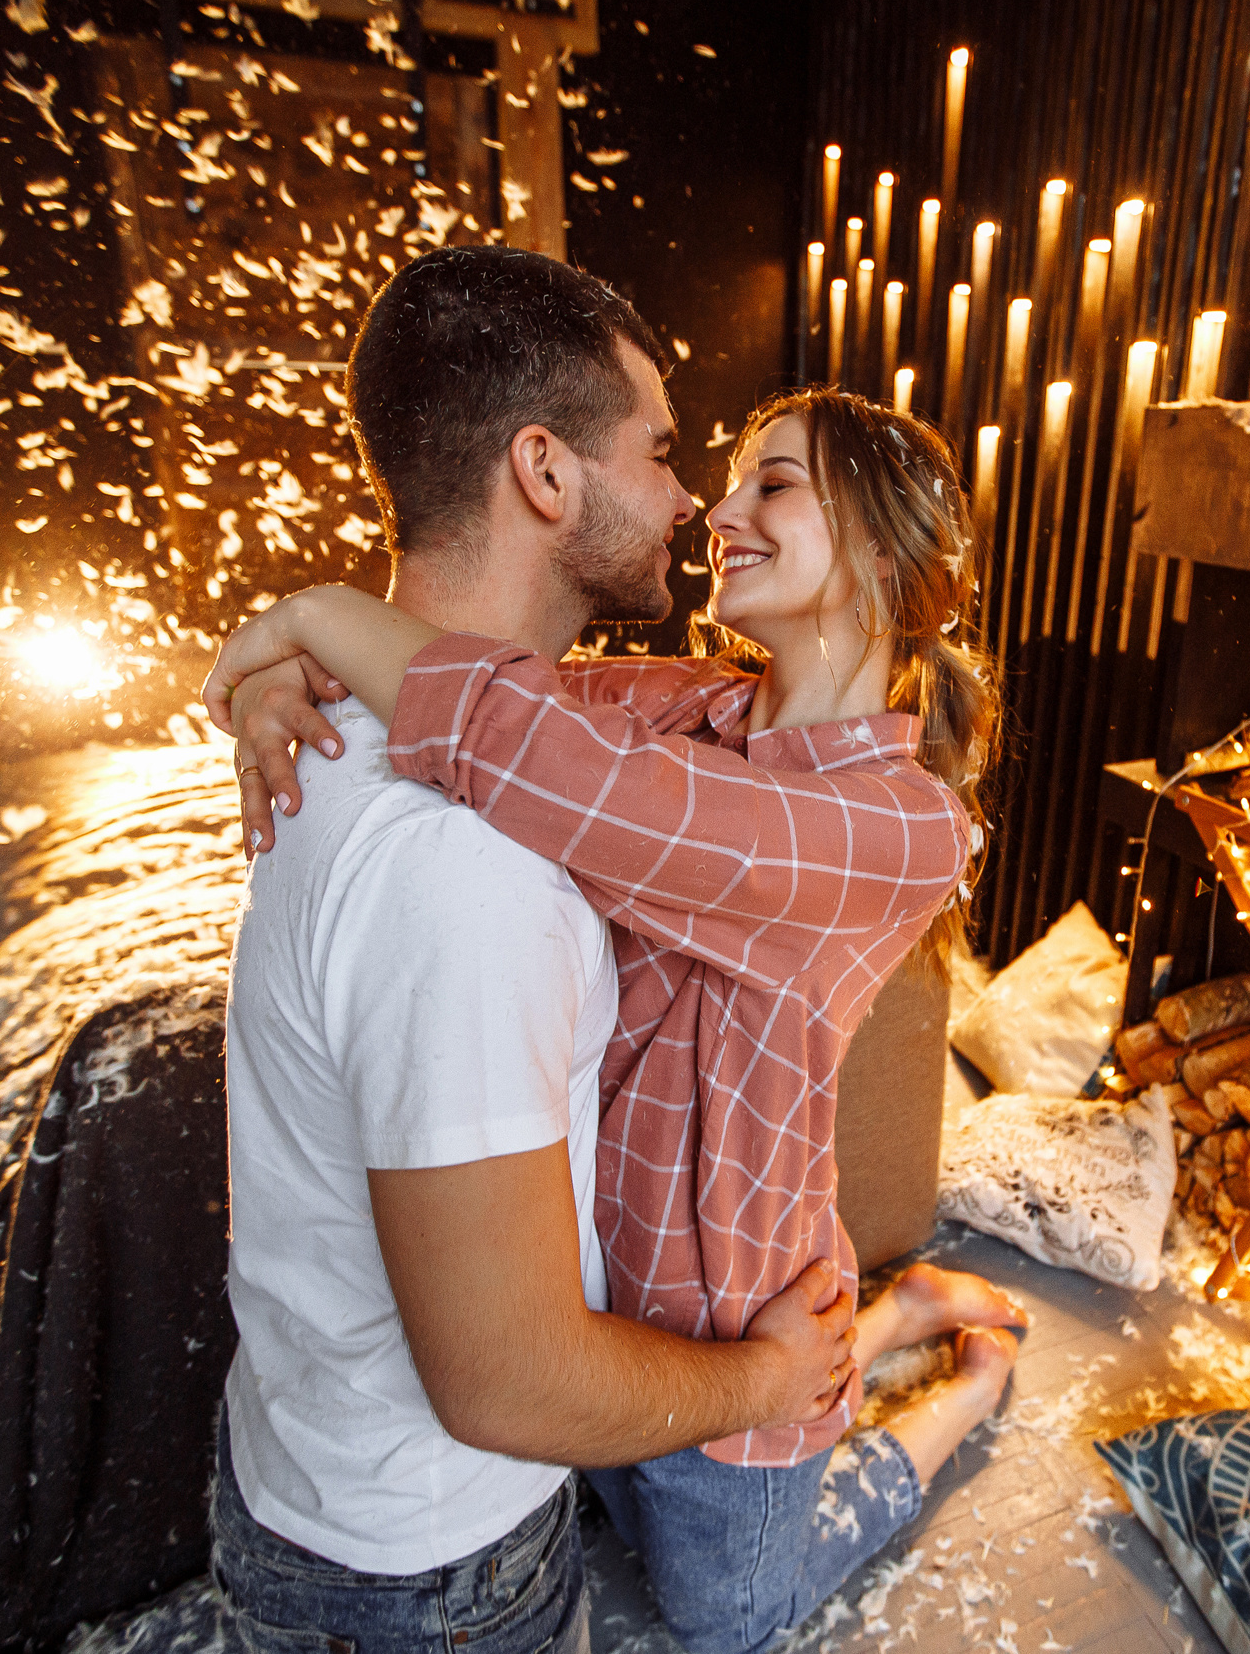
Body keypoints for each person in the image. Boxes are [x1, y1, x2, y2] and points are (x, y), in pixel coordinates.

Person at [207, 247, 1028, 1654]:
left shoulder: (901, 828)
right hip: (606, 1323)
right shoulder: (687, 711)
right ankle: (902, 1315)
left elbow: (562, 765)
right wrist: (312, 663)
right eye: (695, 462)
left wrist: (315, 618)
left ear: (882, 558)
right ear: (544, 470)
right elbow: (514, 694)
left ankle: (957, 1381)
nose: (715, 506)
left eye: (774, 483)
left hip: (738, 1318)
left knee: (733, 1617)